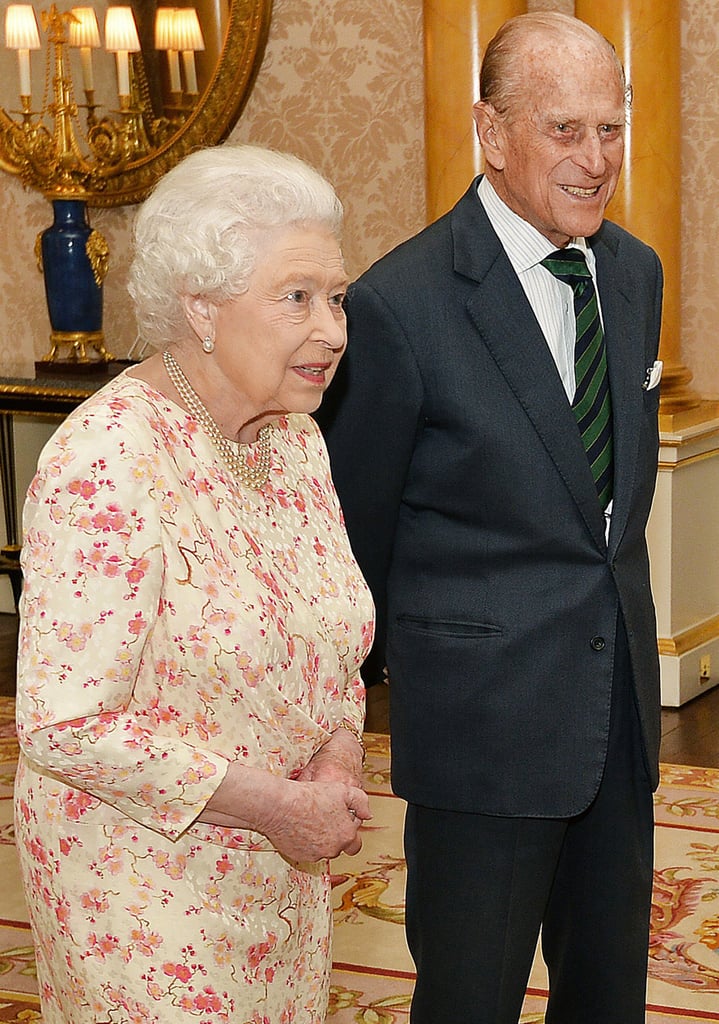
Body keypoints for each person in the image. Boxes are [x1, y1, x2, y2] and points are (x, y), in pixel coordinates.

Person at [318, 11, 663, 1024]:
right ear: (491, 130)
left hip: (619, 723)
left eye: (609, 128)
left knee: (607, 999)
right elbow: (352, 542)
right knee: (469, 1001)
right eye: (563, 130)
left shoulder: (632, 272)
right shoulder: (400, 304)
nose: (593, 159)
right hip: (484, 734)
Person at [13, 143, 374, 1024]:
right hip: (141, 887)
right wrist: (275, 806)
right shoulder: (107, 458)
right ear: (200, 309)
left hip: (280, 872)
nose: (331, 328)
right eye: (297, 298)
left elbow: (332, 637)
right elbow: (65, 722)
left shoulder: (293, 440)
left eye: (336, 297)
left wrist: (335, 757)